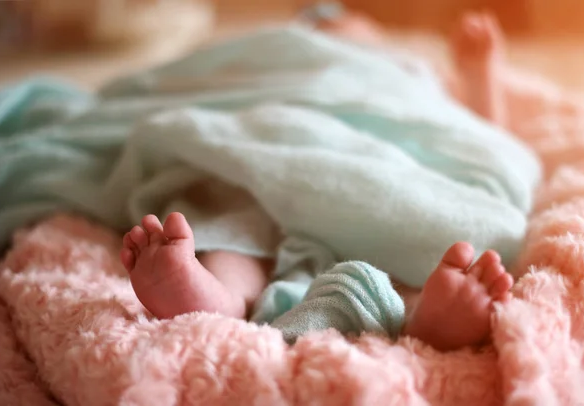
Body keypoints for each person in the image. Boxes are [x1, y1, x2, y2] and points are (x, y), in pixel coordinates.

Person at [119, 11, 517, 352]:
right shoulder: (283, 64)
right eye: (317, 27)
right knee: (238, 222)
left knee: (245, 229)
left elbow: (479, 138)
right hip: (280, 158)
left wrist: (479, 75)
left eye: (346, 21)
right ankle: (215, 296)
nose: (331, 21)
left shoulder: (409, 74)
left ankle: (424, 312)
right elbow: (225, 94)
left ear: (381, 46)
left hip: (383, 169)